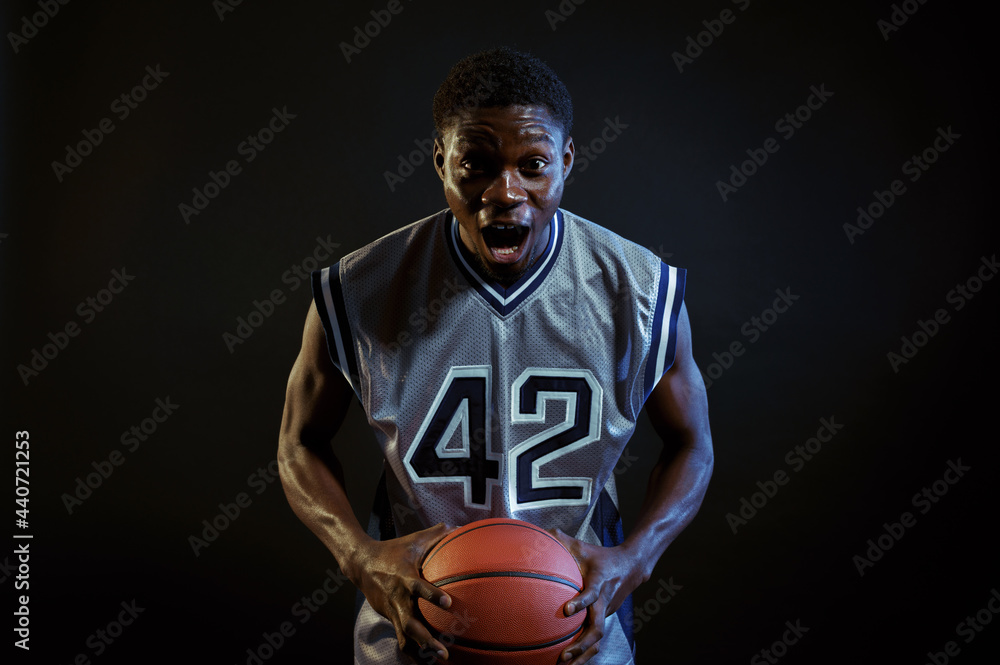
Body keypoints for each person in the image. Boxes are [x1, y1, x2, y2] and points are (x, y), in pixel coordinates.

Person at [278, 46, 713, 665]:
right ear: (441, 161)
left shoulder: (641, 291)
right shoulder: (360, 288)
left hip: (575, 624)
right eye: (476, 164)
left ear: (566, 160)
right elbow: (298, 442)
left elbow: (693, 443)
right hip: (416, 623)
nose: (506, 192)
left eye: (533, 165)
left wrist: (634, 559)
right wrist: (358, 555)